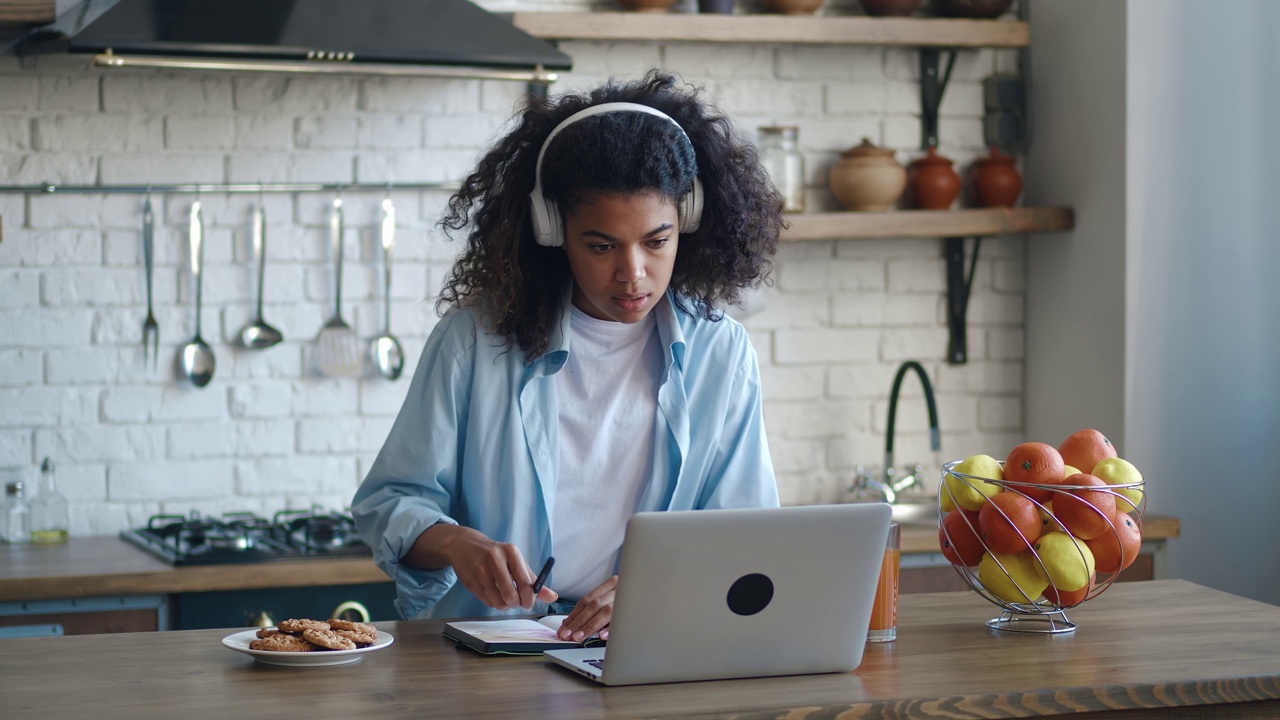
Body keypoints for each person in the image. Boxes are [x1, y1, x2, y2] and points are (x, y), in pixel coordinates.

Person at [351, 70, 784, 643]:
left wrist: (657, 586)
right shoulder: (473, 342)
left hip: (647, 645)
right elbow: (390, 502)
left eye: (657, 241)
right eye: (601, 246)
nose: (633, 274)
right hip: (484, 658)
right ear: (552, 230)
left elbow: (746, 536)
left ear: (690, 220)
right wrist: (457, 543)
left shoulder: (720, 353)